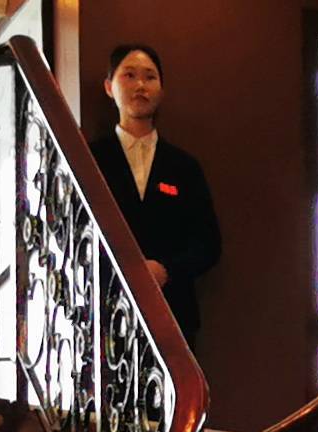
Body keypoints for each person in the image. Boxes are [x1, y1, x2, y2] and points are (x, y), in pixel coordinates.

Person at [91, 43, 221, 344]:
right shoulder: (89, 159)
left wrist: (166, 270)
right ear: (109, 87)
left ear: (161, 90)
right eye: (129, 75)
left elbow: (209, 243)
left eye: (150, 77)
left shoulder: (184, 166)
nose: (140, 85)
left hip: (173, 316)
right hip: (104, 315)